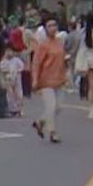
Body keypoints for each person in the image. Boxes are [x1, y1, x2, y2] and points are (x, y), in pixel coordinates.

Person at [28, 13, 67, 143]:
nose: (53, 28)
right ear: (45, 29)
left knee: (59, 106)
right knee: (50, 106)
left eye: (54, 25)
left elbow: (62, 61)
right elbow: (36, 63)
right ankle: (52, 132)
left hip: (59, 79)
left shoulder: (59, 42)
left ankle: (40, 122)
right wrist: (35, 79)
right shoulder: (43, 45)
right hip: (46, 80)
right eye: (49, 26)